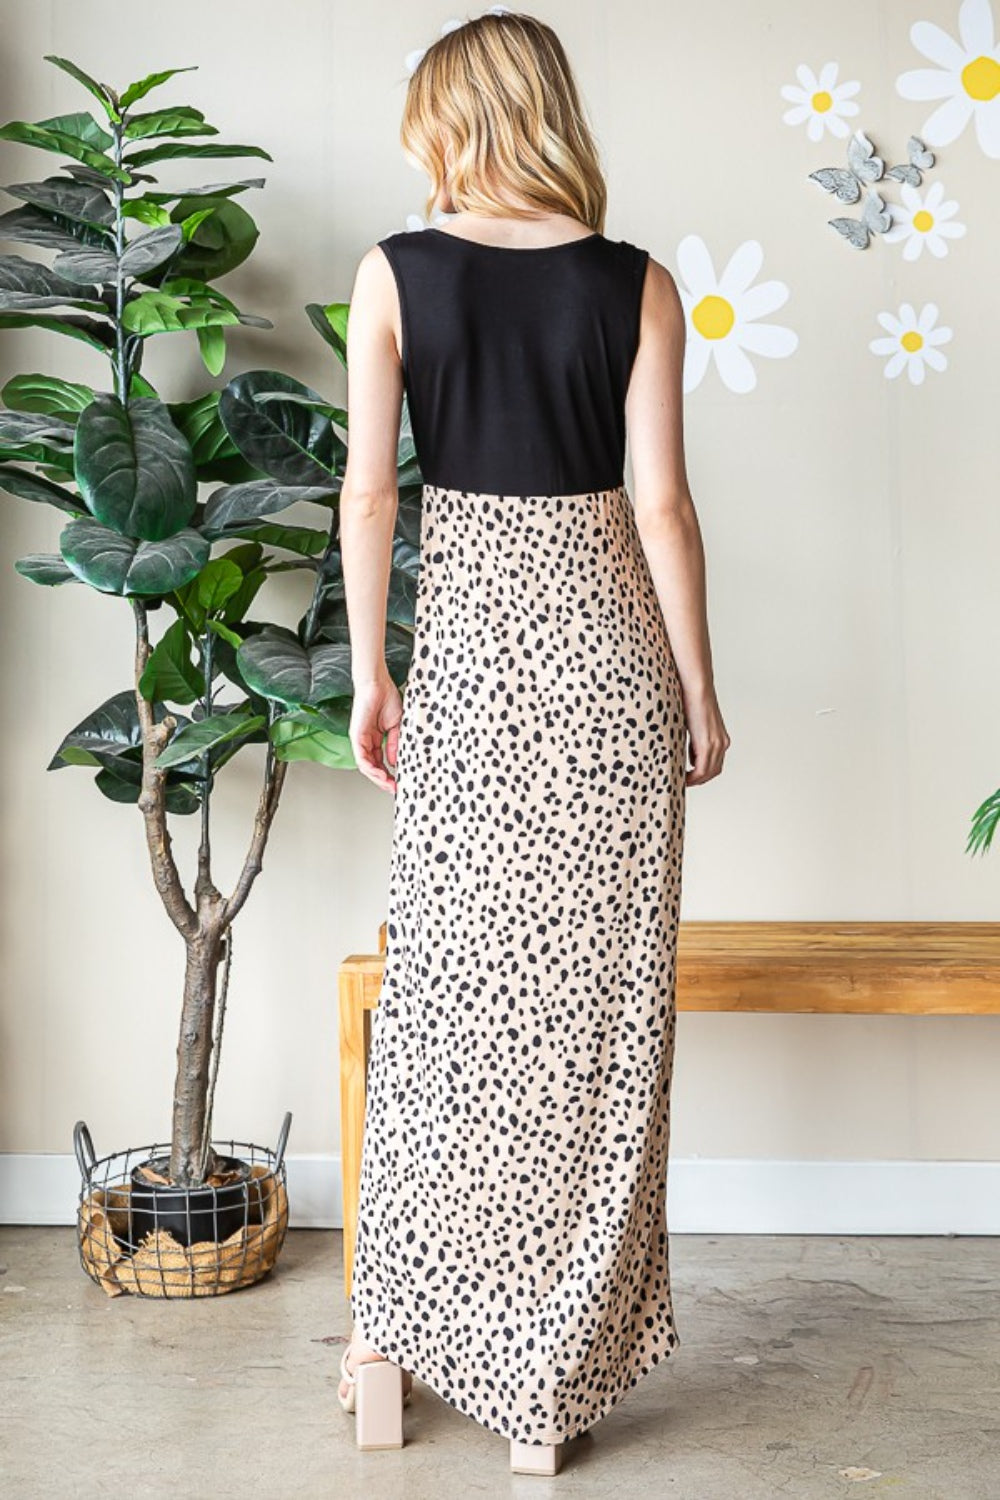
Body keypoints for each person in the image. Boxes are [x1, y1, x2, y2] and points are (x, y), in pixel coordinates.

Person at [336, 8, 730, 1476]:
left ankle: (433, 1330)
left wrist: (372, 672)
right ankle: (550, 1385)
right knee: (601, 1026)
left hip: (476, 669)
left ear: (455, 118)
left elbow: (371, 500)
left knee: (453, 1012)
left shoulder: (395, 274)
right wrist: (698, 694)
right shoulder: (638, 287)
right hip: (610, 664)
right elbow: (664, 511)